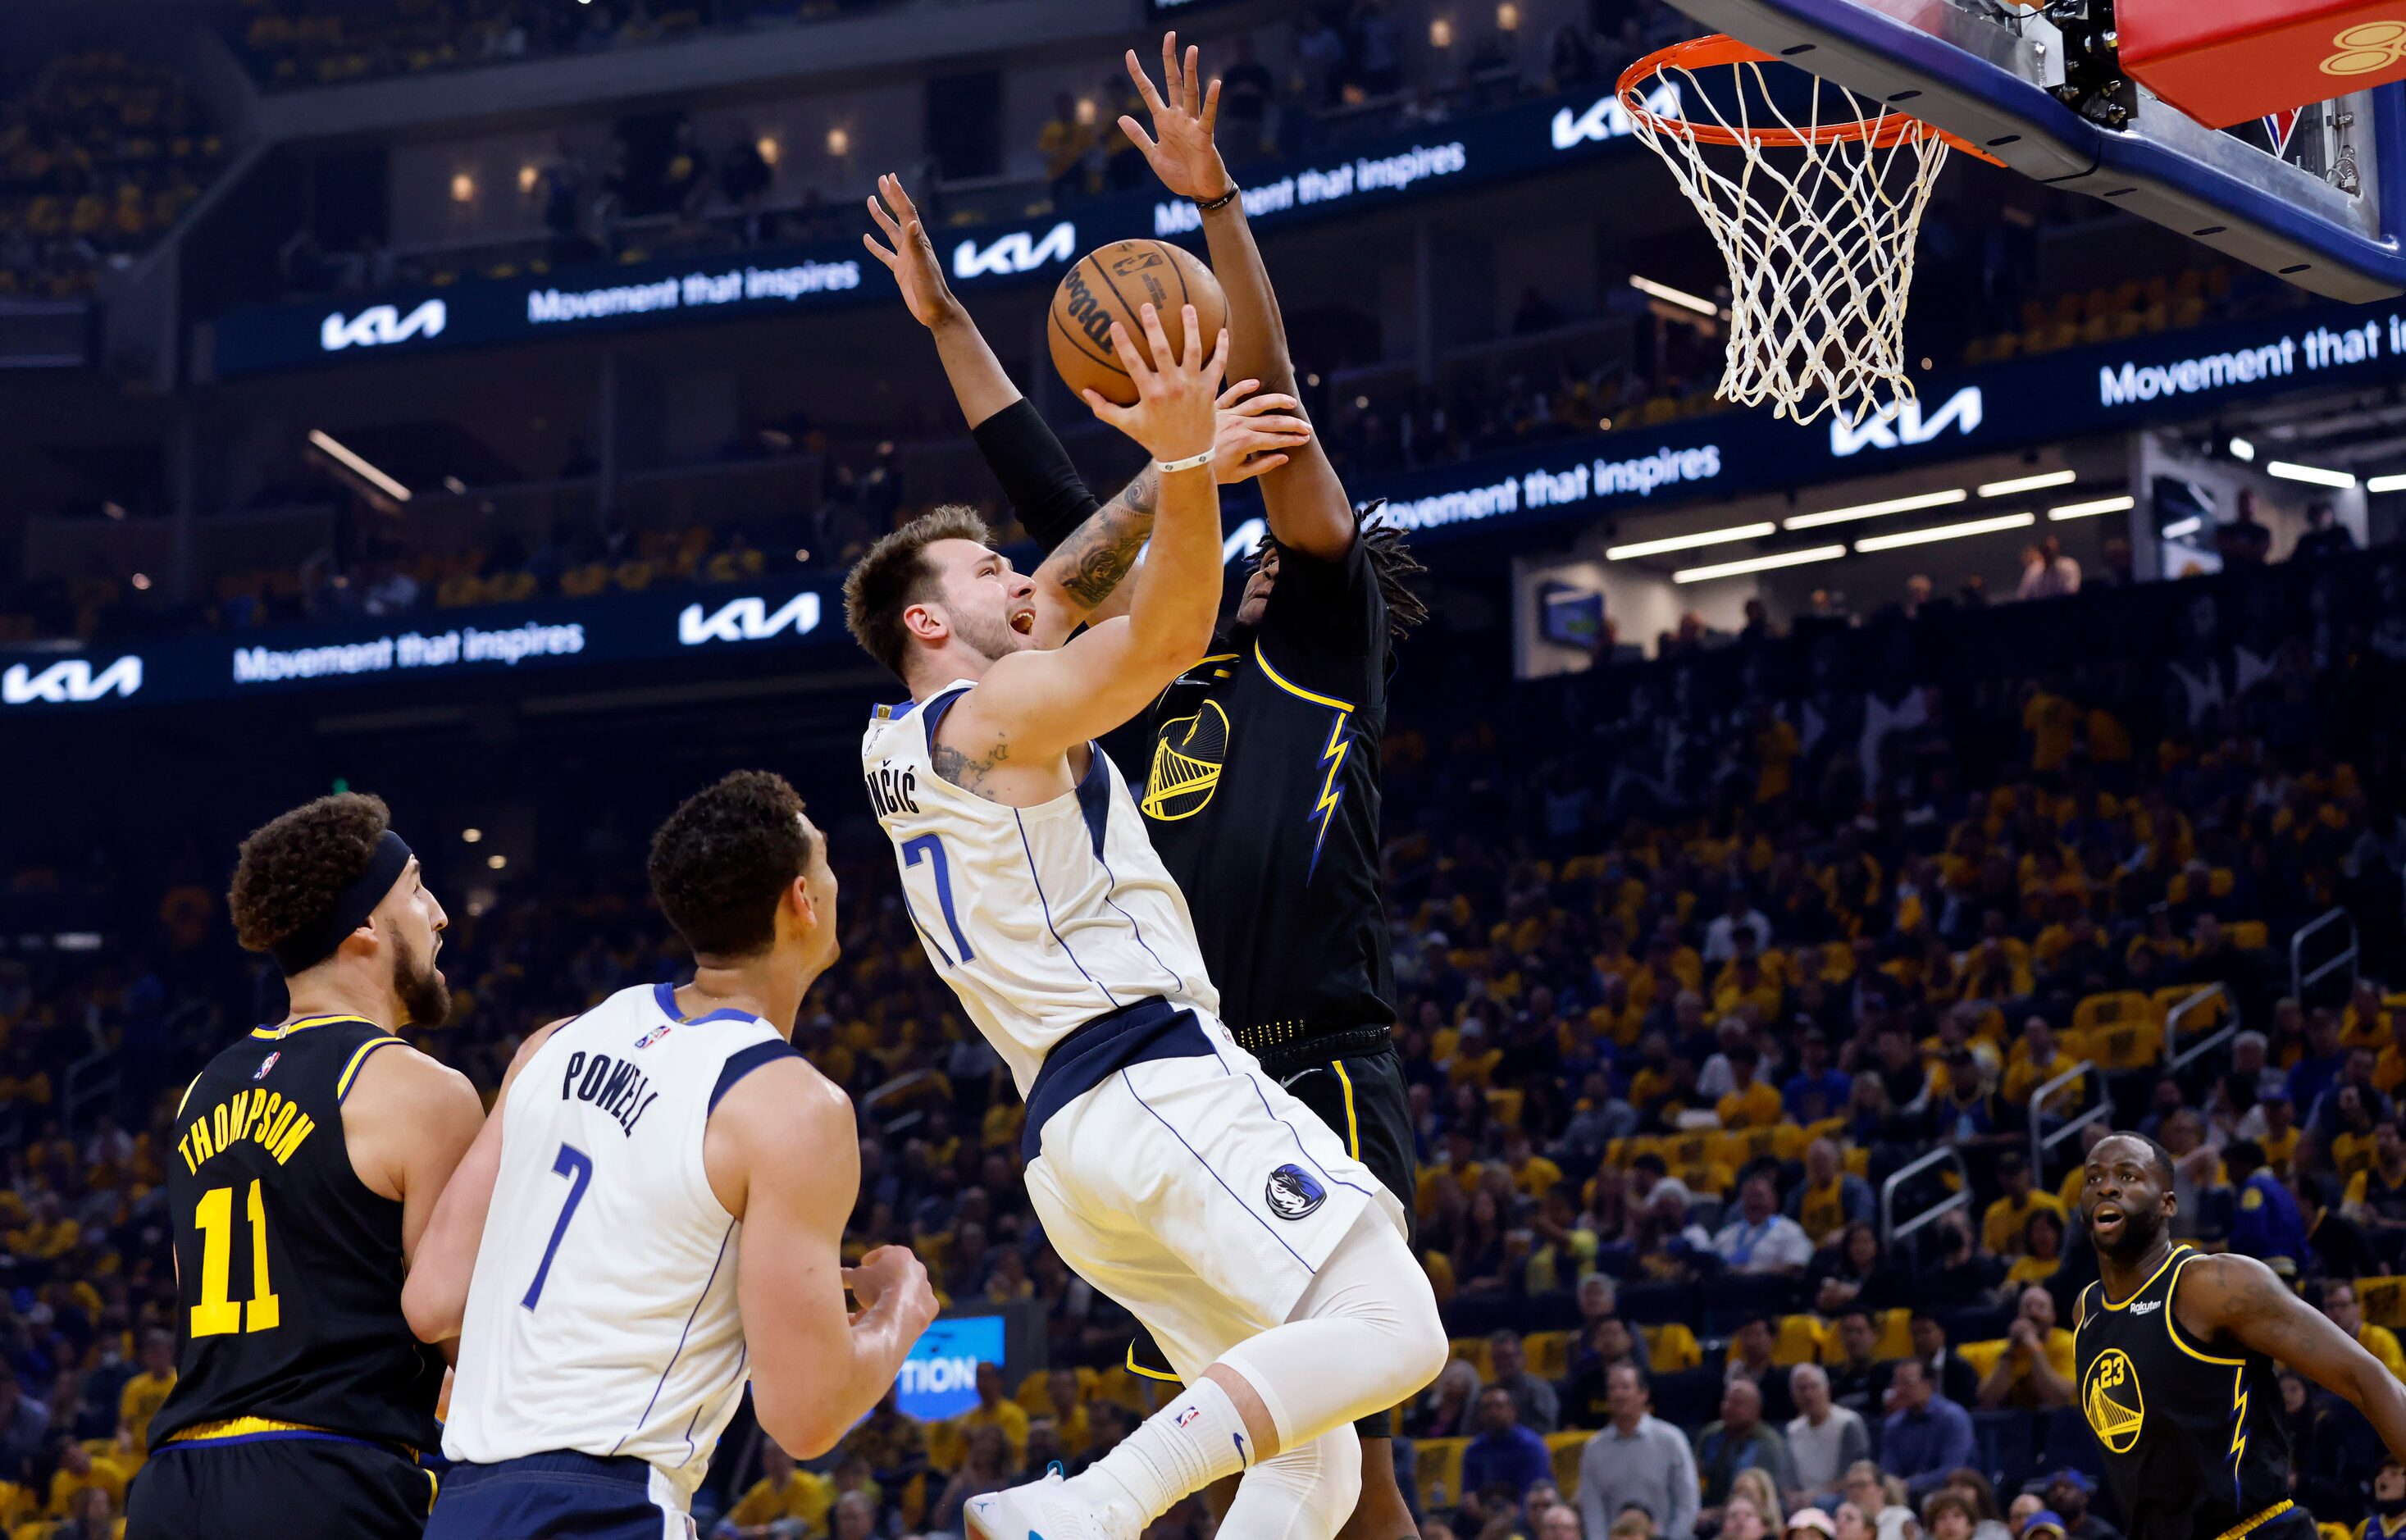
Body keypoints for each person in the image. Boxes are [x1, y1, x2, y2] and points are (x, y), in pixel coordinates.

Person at [848, 56, 1446, 1540]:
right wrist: (952, 326)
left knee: (1337, 1440)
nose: (1247, 549)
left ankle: (1092, 1510)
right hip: (1167, 1076)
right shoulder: (1120, 679)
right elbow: (1048, 495)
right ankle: (1090, 1510)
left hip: (1300, 1057)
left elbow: (1275, 409)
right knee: (1313, 1426)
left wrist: (1219, 214)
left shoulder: (1314, 637)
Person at [405, 773, 941, 1536]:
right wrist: (899, 1310)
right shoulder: (792, 1106)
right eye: (824, 860)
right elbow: (807, 1416)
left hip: (464, 1507)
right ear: (801, 901)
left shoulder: (551, 1045)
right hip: (603, 1508)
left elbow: (430, 1302)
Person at [127, 794, 486, 1540]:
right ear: (363, 928)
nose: (441, 914)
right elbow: (462, 1333)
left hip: (173, 1489)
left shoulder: (203, 1091)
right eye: (418, 889)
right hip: (329, 1476)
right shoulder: (423, 1092)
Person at [2073, 1131, 2406, 1540]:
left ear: (2168, 1204)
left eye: (2128, 1176)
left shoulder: (2213, 1285)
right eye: (2094, 1178)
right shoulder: (2086, 1313)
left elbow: (2365, 1376)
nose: (2107, 1186)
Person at [1576, 1365, 1699, 1540]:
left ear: (1644, 1394)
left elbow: (1687, 1502)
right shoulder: (1594, 1449)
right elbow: (1592, 1509)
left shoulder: (1671, 1440)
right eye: (1613, 1388)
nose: (1618, 1394)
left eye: (1625, 1387)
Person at [1697, 1379, 1798, 1520]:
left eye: (1738, 1403)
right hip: (1707, 1510)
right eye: (1727, 1400)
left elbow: (1772, 1496)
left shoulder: (1770, 1444)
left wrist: (1720, 1513)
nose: (1730, 1407)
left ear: (1756, 1409)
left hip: (1753, 1515)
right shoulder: (1710, 1436)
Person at [1877, 1360, 1973, 1500]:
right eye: (1896, 1383)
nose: (1899, 1390)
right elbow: (1887, 1471)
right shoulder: (1893, 1425)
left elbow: (1953, 1470)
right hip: (1904, 1496)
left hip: (1952, 1494)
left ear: (1928, 1384)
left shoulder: (1953, 1417)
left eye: (1906, 1383)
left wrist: (1908, 1484)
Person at [1975, 1287, 2075, 1410]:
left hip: (2066, 1422)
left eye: (2041, 1307)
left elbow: (2059, 1399)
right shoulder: (2004, 1349)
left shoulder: (2069, 1343)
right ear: (2018, 1315)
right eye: (2027, 1306)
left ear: (2053, 1316)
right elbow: (1987, 1400)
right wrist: (2010, 1350)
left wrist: (2034, 1347)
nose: (2033, 1312)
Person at [1784, 1364, 1869, 1510]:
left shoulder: (1848, 1423)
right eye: (1802, 1389)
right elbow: (1787, 1477)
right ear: (1793, 1395)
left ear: (1827, 1389)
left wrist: (1814, 1497)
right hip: (1804, 1499)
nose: (1808, 1394)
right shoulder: (1792, 1430)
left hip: (1838, 1498)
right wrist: (1792, 1497)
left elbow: (1851, 1477)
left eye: (1814, 1386)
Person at [1461, 1384, 1552, 1502]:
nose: (1492, 1412)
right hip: (1484, 1514)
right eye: (1486, 1407)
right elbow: (1469, 1492)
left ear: (1513, 1411)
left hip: (1528, 1511)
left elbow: (1534, 1492)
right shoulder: (1474, 1449)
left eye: (1499, 1406)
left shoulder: (1530, 1446)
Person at [1488, 1330, 1561, 1433]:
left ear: (1521, 1358)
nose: (1502, 1362)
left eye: (1506, 1356)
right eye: (1497, 1357)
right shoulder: (1487, 1393)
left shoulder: (1540, 1389)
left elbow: (1547, 1427)